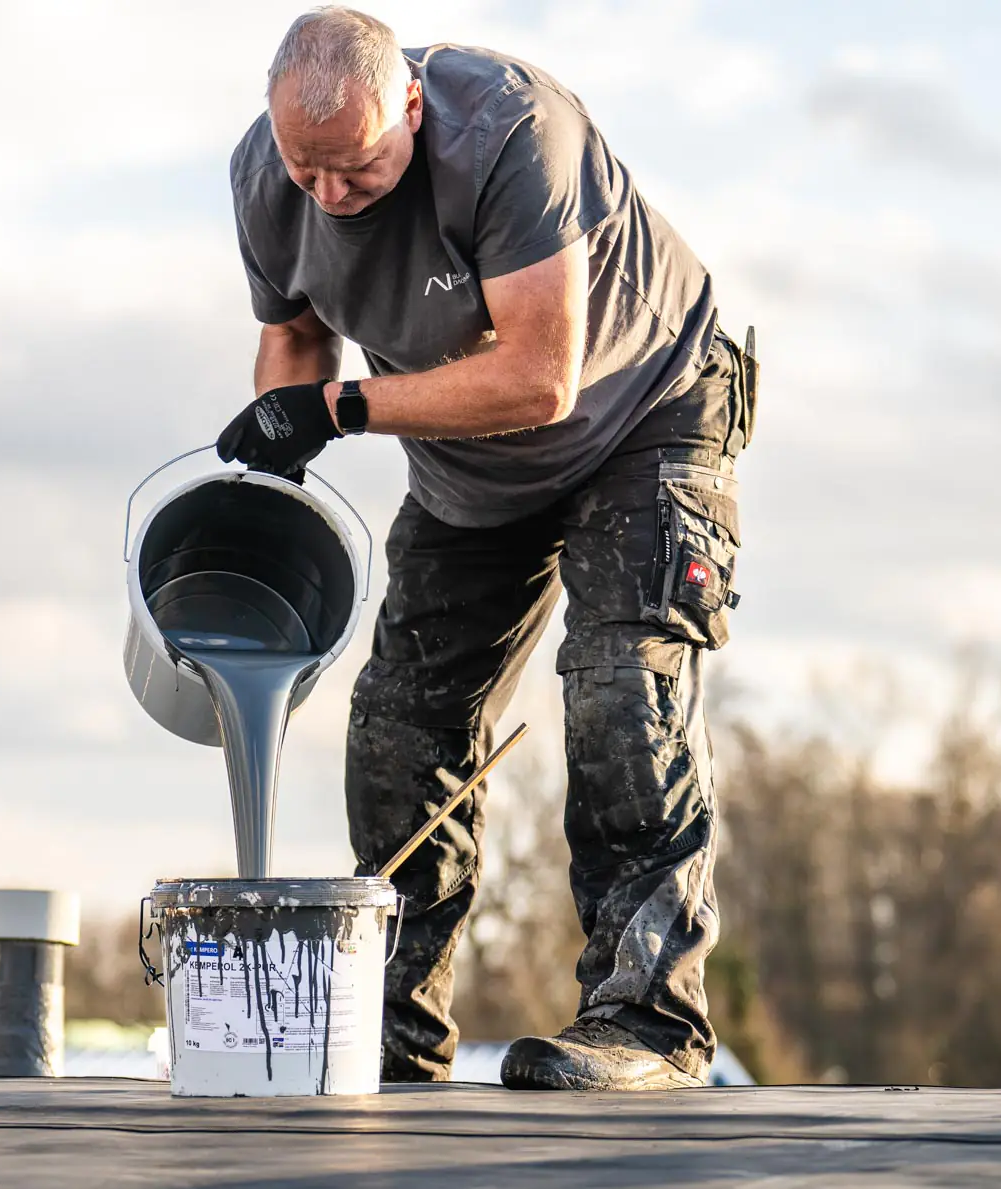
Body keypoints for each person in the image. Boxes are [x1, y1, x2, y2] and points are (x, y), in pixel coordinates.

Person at [215, 7, 756, 1091]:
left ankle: (649, 1021)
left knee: (617, 688)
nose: (328, 193)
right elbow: (295, 338)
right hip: (473, 463)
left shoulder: (509, 134)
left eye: (355, 167)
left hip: (642, 412)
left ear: (408, 107)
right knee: (400, 719)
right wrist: (277, 470)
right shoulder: (268, 177)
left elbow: (538, 379)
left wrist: (340, 407)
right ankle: (391, 1032)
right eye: (304, 166)